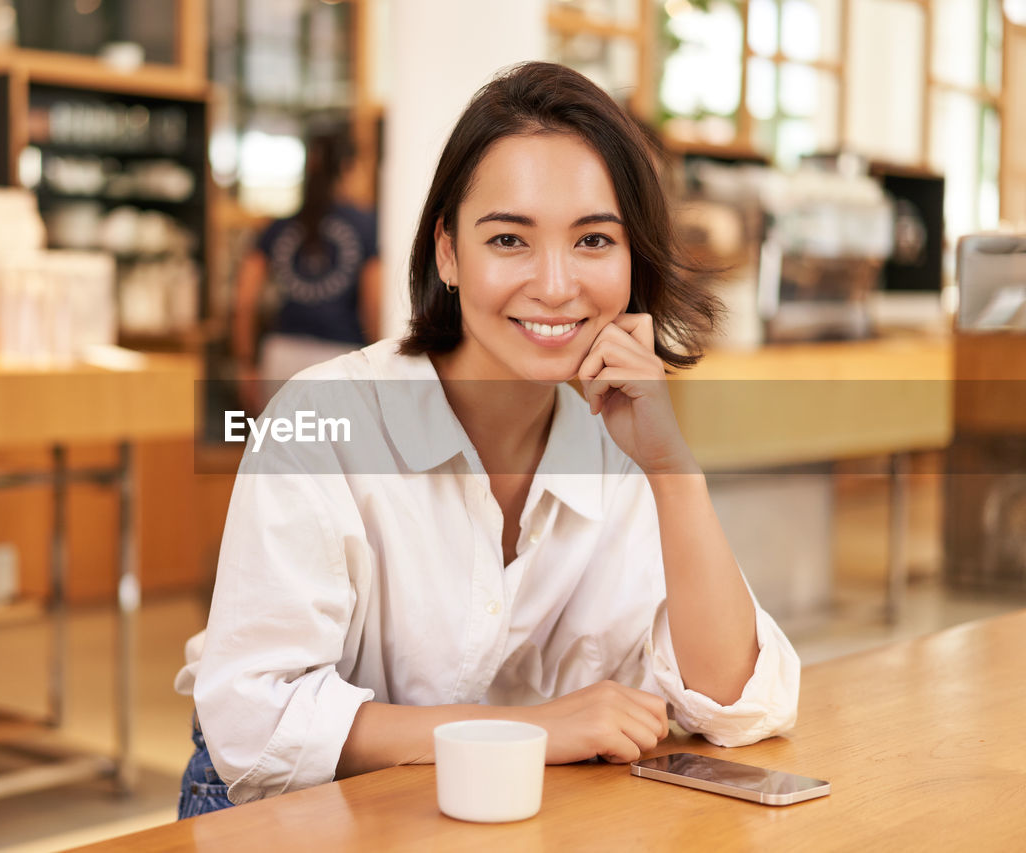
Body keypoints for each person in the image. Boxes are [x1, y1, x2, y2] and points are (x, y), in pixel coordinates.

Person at [176, 62, 800, 819]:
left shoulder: (618, 444)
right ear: (448, 253)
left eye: (594, 240)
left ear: (632, 255)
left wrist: (672, 469)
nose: (556, 283)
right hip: (296, 816)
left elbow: (740, 704)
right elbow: (256, 720)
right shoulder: (324, 418)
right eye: (510, 238)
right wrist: (529, 731)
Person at [231, 125, 382, 413]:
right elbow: (373, 303)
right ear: (349, 167)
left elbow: (243, 300)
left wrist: (246, 364)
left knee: (280, 452)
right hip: (343, 359)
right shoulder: (367, 225)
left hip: (281, 356)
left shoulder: (279, 227)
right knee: (340, 456)